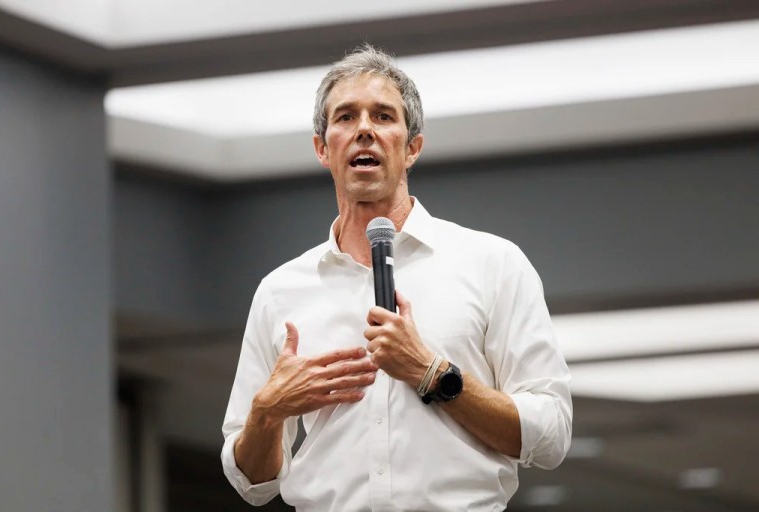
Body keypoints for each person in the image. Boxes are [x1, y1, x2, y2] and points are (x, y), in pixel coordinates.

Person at [222, 44, 572, 511]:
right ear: (323, 149)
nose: (364, 129)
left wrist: (434, 374)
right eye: (346, 117)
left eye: (383, 116)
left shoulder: (493, 264)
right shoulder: (280, 291)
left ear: (412, 148)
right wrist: (268, 413)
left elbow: (551, 435)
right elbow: (253, 484)